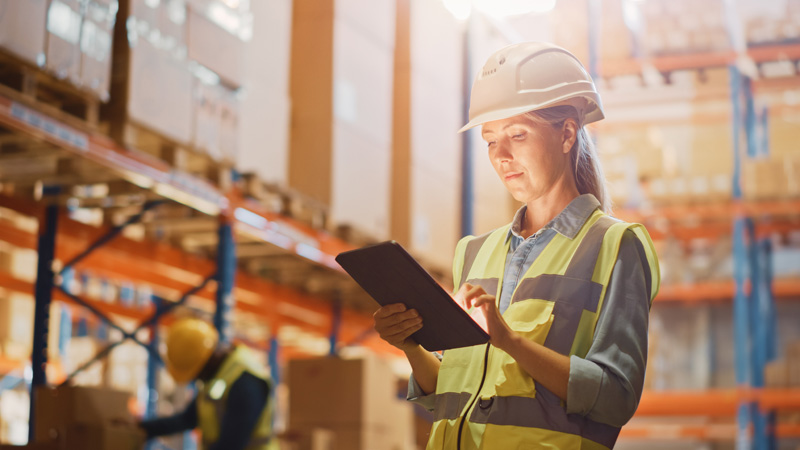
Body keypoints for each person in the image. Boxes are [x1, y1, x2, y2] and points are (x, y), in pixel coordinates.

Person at [373, 42, 660, 449]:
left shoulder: (615, 246)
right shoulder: (473, 252)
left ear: (566, 134)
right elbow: (451, 393)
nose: (501, 155)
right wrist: (409, 345)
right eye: (490, 141)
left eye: (517, 135)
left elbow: (615, 397)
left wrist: (510, 342)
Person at [139, 318, 277, 450]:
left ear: (207, 361)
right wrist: (140, 428)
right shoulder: (216, 378)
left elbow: (231, 444)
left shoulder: (246, 382)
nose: (196, 378)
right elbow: (188, 419)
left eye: (197, 373)